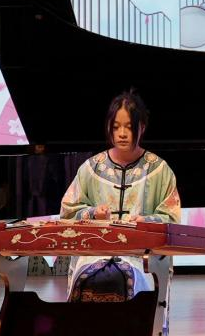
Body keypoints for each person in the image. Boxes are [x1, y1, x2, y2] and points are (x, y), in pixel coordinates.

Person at [59, 88, 181, 301]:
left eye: (129, 127)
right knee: (94, 278)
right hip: (94, 254)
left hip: (140, 256)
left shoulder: (160, 170)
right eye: (116, 127)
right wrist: (93, 213)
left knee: (122, 277)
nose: (122, 133)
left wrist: (146, 222)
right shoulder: (91, 168)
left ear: (142, 127)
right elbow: (67, 213)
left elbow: (172, 219)